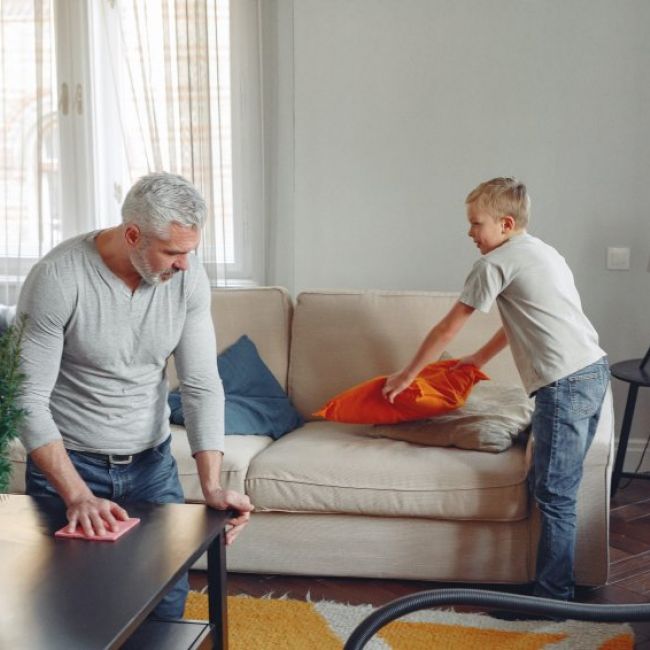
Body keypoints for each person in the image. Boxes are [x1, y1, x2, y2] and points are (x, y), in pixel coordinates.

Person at [17, 171, 253, 619]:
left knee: (165, 605)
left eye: (190, 251)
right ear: (132, 235)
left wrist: (211, 486)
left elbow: (201, 383)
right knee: (70, 614)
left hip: (152, 466)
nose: (184, 263)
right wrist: (77, 494)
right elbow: (26, 398)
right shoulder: (58, 277)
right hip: (69, 466)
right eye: (172, 252)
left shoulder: (187, 276)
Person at [383, 177, 609, 602]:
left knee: (555, 494)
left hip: (564, 384)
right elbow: (521, 318)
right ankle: (550, 587)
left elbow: (448, 327)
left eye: (476, 224)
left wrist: (409, 374)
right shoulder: (542, 252)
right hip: (593, 371)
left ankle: (551, 599)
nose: (470, 233)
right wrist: (479, 360)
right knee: (557, 487)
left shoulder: (494, 264)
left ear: (505, 223)